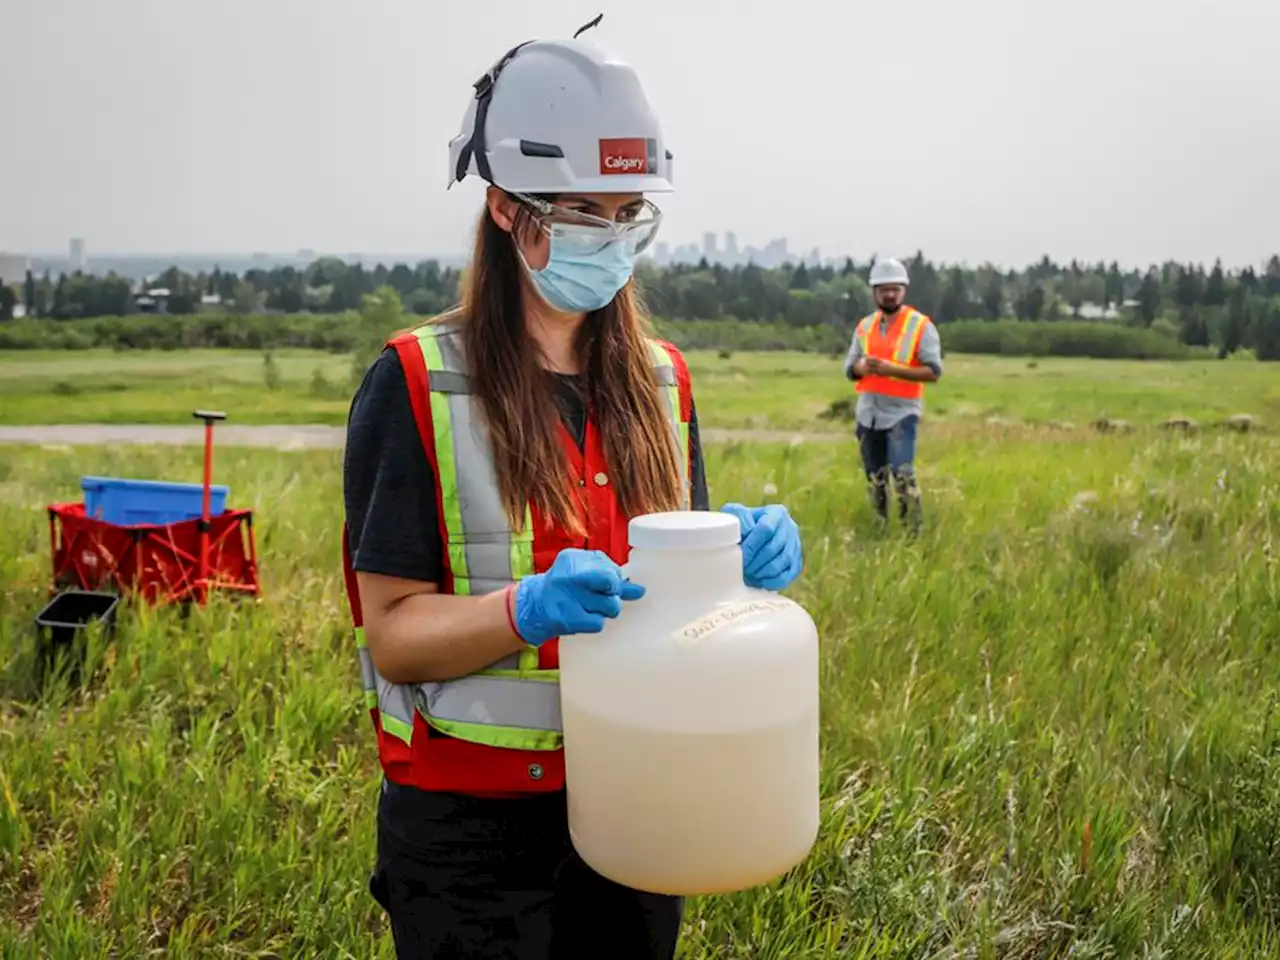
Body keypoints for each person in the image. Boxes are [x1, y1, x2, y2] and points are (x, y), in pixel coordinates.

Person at [339, 23, 804, 960]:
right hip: (468, 836)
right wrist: (525, 610)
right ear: (509, 211)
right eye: (585, 211)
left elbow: (685, 613)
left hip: (636, 799)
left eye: (629, 211)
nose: (612, 237)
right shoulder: (417, 383)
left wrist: (736, 570)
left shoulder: (663, 381)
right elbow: (393, 636)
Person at [842, 257, 943, 531]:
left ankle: (913, 531)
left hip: (902, 412)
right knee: (875, 477)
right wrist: (861, 367)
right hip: (868, 414)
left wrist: (891, 369)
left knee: (902, 473)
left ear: (904, 290)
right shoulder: (865, 326)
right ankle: (881, 526)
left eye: (894, 289)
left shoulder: (921, 326)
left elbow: (933, 371)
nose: (889, 294)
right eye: (883, 288)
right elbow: (849, 368)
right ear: (875, 292)